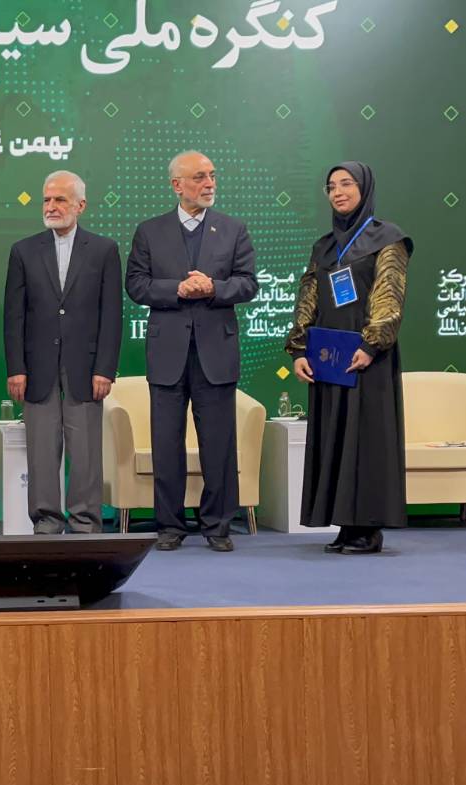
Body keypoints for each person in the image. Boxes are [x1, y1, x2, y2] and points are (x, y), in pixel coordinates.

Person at [125, 151, 258, 552]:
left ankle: (217, 525)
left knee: (218, 444)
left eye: (212, 176)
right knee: (167, 444)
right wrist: (176, 289)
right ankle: (169, 525)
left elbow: (248, 284)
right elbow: (136, 284)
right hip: (167, 353)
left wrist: (214, 287)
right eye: (199, 177)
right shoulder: (150, 231)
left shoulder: (233, 229)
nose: (209, 184)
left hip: (216, 353)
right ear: (177, 185)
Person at [285, 161, 413, 555]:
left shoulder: (388, 239)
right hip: (329, 356)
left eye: (346, 184)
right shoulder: (324, 246)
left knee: (366, 439)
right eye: (331, 186)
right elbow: (308, 295)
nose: (338, 192)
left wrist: (372, 344)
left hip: (367, 357)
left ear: (364, 188)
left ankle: (368, 529)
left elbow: (389, 295)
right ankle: (346, 525)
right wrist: (300, 349)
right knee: (336, 437)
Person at [3, 170, 122, 534]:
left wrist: (105, 369)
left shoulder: (103, 250)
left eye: (60, 200)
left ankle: (85, 524)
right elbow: (14, 316)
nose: (51, 206)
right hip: (36, 370)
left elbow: (111, 315)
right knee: (41, 452)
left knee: (85, 453)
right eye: (47, 200)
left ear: (80, 206)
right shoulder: (23, 251)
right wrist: (16, 368)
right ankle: (46, 523)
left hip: (86, 370)